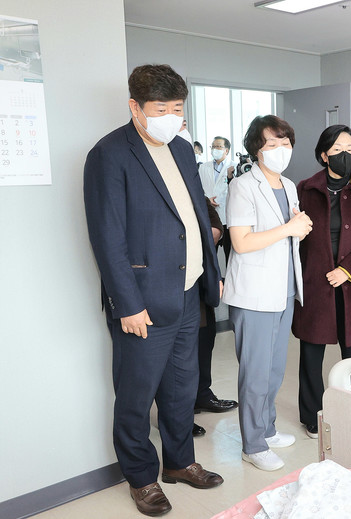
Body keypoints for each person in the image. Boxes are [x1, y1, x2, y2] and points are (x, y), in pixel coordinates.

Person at [83, 64, 224, 517]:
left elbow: (195, 215)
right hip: (142, 301)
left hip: (187, 292)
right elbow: (107, 236)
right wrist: (126, 303)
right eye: (161, 109)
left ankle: (179, 462)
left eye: (177, 108)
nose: (171, 117)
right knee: (136, 394)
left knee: (182, 387)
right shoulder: (109, 154)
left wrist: (210, 272)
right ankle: (141, 477)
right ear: (135, 107)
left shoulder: (181, 148)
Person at [222, 115, 312, 472]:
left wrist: (298, 229)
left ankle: (268, 428)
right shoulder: (243, 186)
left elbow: (288, 233)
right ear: (256, 149)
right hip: (254, 294)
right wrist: (289, 228)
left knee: (274, 370)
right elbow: (241, 242)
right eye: (271, 143)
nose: (280, 149)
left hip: (284, 290)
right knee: (255, 373)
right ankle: (253, 444)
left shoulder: (288, 185)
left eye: (285, 143)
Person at [293, 125, 351, 439]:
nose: (344, 154)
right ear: (323, 155)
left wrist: (349, 270)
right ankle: (312, 415)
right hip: (315, 281)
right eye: (337, 149)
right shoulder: (305, 189)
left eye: (350, 149)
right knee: (311, 351)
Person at [193, 197, 237, 438]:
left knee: (205, 337)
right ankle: (180, 411)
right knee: (180, 350)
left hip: (200, 278)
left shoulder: (196, 193)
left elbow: (216, 229)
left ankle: (202, 395)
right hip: (170, 281)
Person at [198, 136, 235, 261]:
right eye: (213, 147)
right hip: (210, 217)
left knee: (229, 255)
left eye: (218, 146)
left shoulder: (233, 167)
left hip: (227, 217)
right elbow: (198, 189)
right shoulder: (203, 167)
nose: (215, 149)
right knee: (209, 255)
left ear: (226, 150)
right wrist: (207, 200)